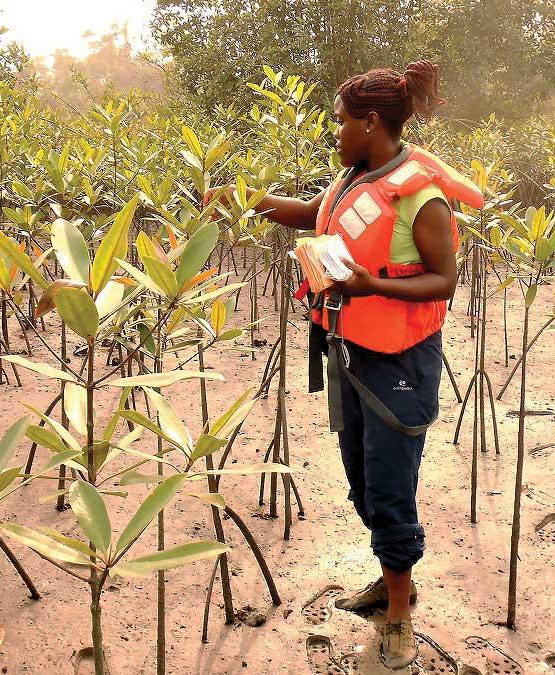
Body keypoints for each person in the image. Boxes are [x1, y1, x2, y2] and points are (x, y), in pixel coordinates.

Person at [206, 61, 482, 669]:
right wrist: (244, 199)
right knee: (360, 476)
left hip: (400, 362)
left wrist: (368, 284)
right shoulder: (355, 177)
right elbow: (312, 212)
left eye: (341, 122)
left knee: (389, 482)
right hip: (352, 352)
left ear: (371, 122)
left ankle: (400, 614)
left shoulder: (421, 197)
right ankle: (391, 580)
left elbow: (443, 282)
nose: (334, 133)